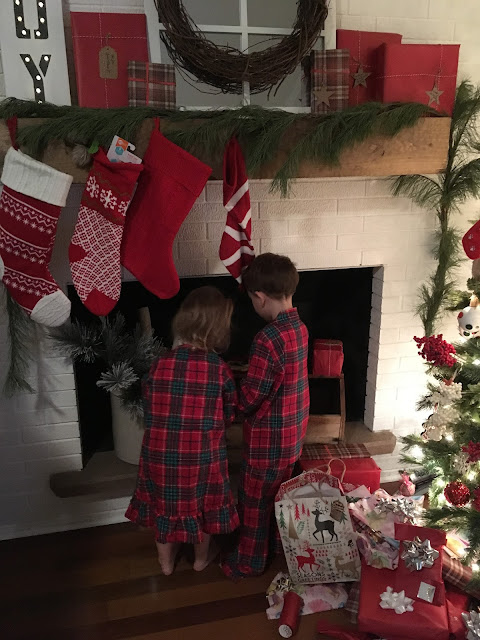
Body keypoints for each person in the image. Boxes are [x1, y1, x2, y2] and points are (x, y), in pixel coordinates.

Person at [126, 286, 239, 575]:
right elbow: (228, 414)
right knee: (205, 507)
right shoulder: (219, 369)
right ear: (218, 330)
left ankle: (165, 563)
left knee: (163, 507)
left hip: (160, 456)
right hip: (202, 459)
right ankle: (201, 559)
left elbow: (149, 404)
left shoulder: (159, 364)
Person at [221, 253, 310, 579]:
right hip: (293, 433)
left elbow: (251, 397)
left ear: (259, 297)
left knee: (254, 501)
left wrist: (228, 400)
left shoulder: (267, 338)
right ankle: (274, 546)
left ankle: (250, 561)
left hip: (268, 440)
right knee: (278, 494)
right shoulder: (300, 328)